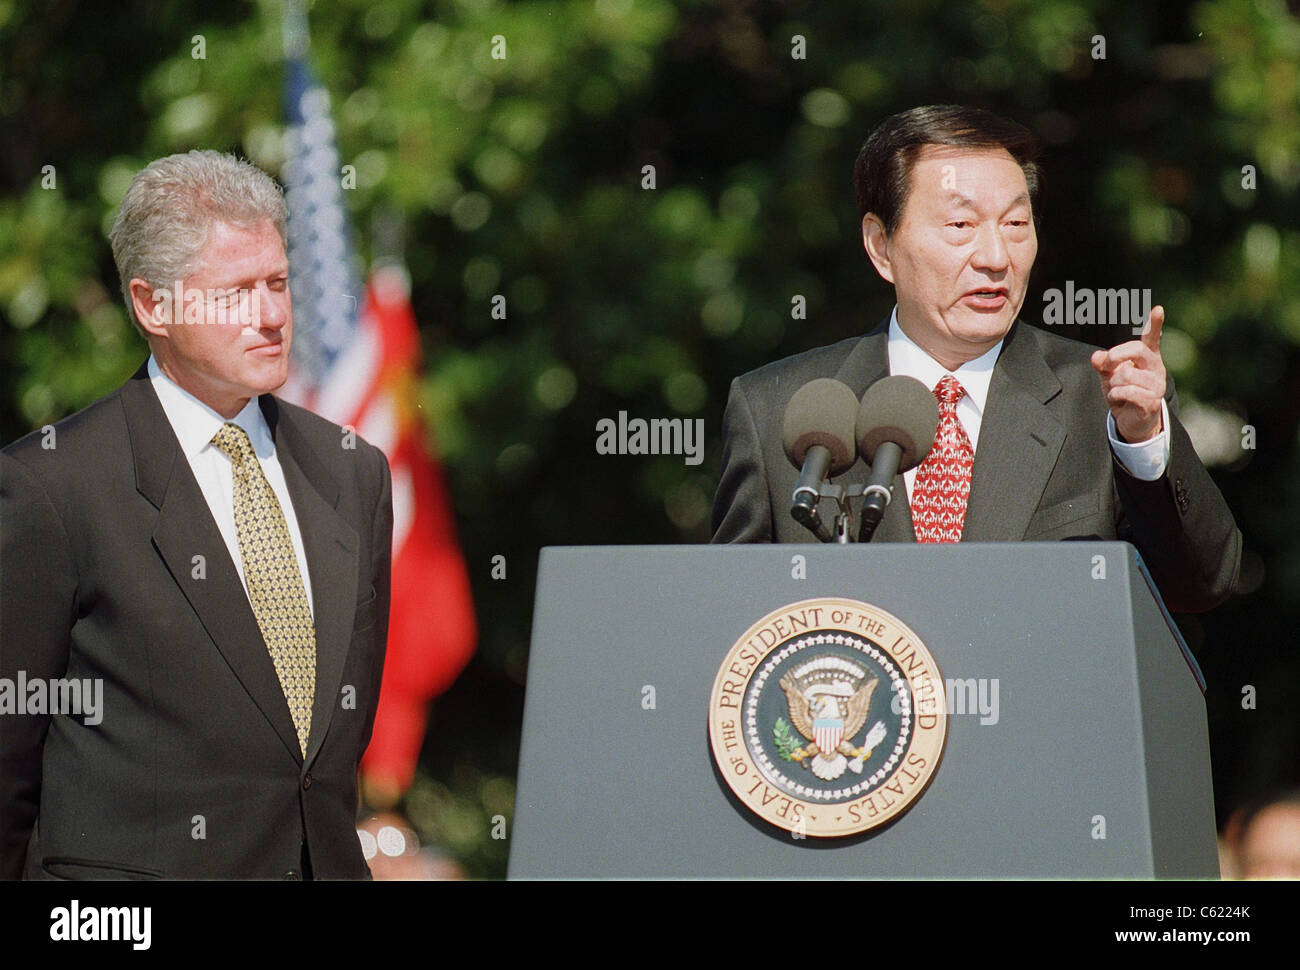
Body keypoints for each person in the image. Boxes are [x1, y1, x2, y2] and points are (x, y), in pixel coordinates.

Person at [0, 150, 393, 879]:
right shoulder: (51, 487)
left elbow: (326, 746)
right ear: (154, 305)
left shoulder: (351, 471)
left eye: (277, 282)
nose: (273, 315)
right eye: (237, 292)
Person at [711, 105, 1240, 613]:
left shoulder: (1101, 401)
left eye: (1015, 225)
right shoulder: (783, 411)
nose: (994, 258)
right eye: (960, 227)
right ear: (881, 246)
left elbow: (1200, 585)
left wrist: (1143, 444)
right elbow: (731, 628)